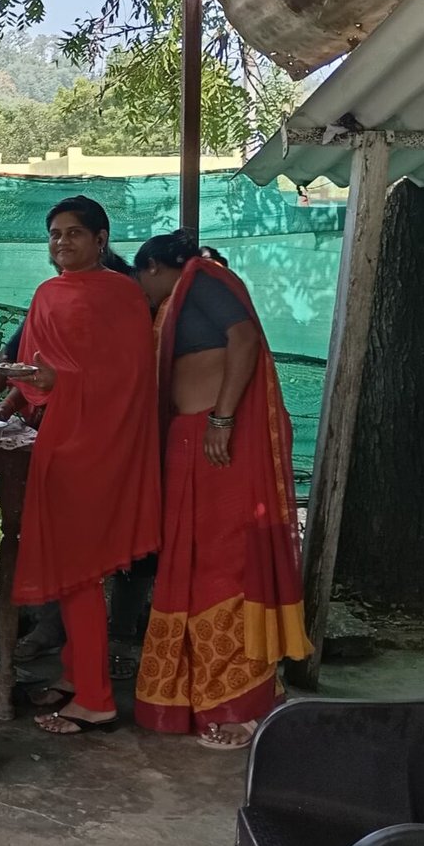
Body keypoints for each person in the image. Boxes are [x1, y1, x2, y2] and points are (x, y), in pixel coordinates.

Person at [131, 231, 310, 749]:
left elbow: (244, 339)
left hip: (219, 441)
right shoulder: (179, 299)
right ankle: (194, 695)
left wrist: (223, 419)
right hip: (191, 441)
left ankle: (245, 704)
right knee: (186, 565)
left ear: (156, 267)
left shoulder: (202, 278)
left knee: (225, 563)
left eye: (144, 280)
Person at [4, 195, 160, 736]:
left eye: (73, 233)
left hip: (102, 447)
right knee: (75, 573)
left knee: (79, 574)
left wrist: (58, 384)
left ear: (100, 238)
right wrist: (18, 395)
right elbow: (36, 366)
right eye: (54, 234)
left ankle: (96, 699)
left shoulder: (124, 296)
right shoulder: (48, 294)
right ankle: (76, 676)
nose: (62, 242)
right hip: (60, 440)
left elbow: (130, 382)